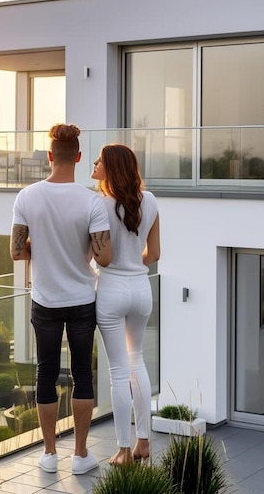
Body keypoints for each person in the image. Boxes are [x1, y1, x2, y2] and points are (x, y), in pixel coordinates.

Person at [10, 123, 112, 475]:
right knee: (82, 373)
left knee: (46, 373)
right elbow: (105, 258)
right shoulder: (93, 201)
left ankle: (50, 454)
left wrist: (41, 246)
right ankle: (81, 456)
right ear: (79, 157)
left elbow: (15, 252)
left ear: (50, 155)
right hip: (83, 299)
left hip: (45, 301)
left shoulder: (26, 197)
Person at [91, 143, 160, 466]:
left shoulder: (99, 205)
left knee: (118, 371)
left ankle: (122, 449)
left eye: (99, 161)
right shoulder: (151, 201)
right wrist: (135, 263)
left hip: (111, 288)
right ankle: (143, 442)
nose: (94, 164)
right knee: (138, 362)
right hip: (141, 288)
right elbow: (154, 254)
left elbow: (96, 252)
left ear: (111, 168)